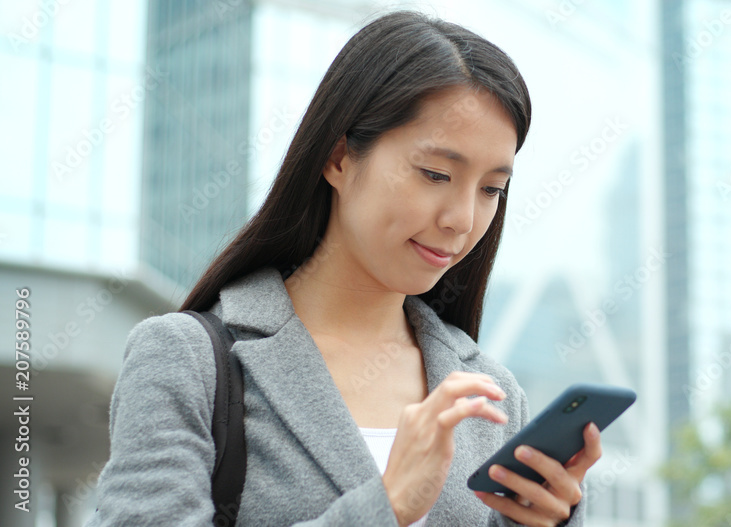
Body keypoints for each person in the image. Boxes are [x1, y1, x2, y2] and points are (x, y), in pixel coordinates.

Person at [84, 9, 600, 527]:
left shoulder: (492, 393)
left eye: (491, 189)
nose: (462, 220)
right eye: (436, 173)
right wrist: (385, 505)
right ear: (338, 158)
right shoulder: (185, 360)